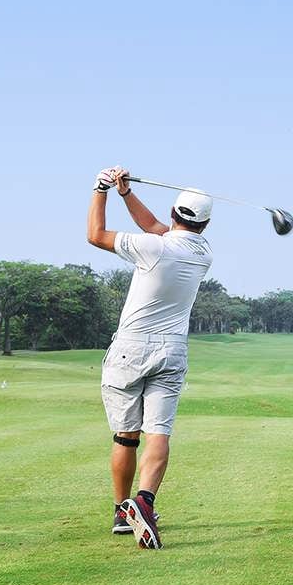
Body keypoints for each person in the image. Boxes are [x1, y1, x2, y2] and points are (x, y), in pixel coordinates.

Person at [87, 165, 214, 549]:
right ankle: (144, 501)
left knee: (126, 437)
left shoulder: (153, 247)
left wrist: (101, 189)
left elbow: (95, 235)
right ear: (205, 225)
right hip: (172, 349)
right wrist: (126, 194)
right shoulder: (203, 253)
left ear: (174, 213)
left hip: (131, 347)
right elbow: (156, 227)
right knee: (158, 432)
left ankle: (121, 512)